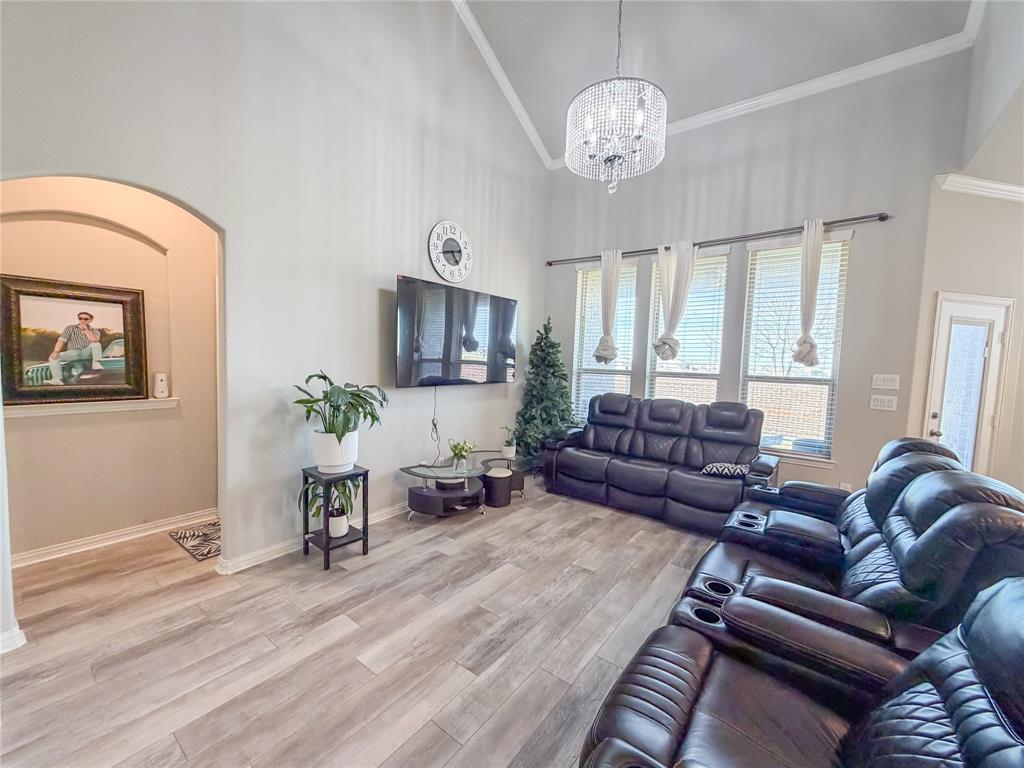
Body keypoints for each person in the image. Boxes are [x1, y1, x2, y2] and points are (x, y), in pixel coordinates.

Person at [45, 311, 105, 385]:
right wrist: (56, 351)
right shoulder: (70, 328)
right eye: (80, 318)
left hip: (87, 352)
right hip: (73, 352)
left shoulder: (94, 330)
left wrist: (85, 329)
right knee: (53, 357)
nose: (82, 320)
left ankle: (96, 363)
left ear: (90, 320)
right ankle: (57, 379)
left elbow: (94, 339)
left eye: (86, 319)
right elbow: (61, 340)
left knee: (96, 344)